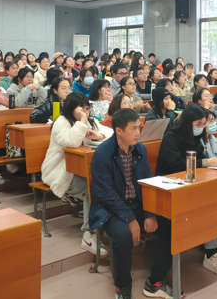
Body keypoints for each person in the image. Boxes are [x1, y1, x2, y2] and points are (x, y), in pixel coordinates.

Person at [90, 108, 178, 299]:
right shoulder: (102, 154)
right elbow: (106, 195)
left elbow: (146, 184)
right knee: (122, 236)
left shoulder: (140, 149)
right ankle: (123, 287)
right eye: (133, 129)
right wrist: (130, 219)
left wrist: (149, 213)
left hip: (136, 203)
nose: (138, 133)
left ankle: (156, 281)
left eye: (139, 127)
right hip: (111, 209)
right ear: (119, 131)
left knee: (170, 224)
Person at [155, 104, 217, 276]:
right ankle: (211, 255)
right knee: (208, 208)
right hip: (171, 187)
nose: (201, 128)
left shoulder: (196, 137)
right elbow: (176, 165)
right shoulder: (171, 137)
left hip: (192, 183)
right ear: (188, 122)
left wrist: (214, 163)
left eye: (203, 124)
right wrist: (205, 163)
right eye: (198, 124)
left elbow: (201, 159)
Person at [42, 92, 112, 255]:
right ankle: (89, 235)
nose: (85, 112)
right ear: (71, 108)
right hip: (60, 171)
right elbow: (71, 143)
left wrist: (98, 135)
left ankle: (103, 226)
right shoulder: (61, 122)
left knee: (104, 184)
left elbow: (111, 132)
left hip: (80, 168)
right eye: (81, 109)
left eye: (87, 108)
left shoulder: (89, 121)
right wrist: (82, 121)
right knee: (91, 190)